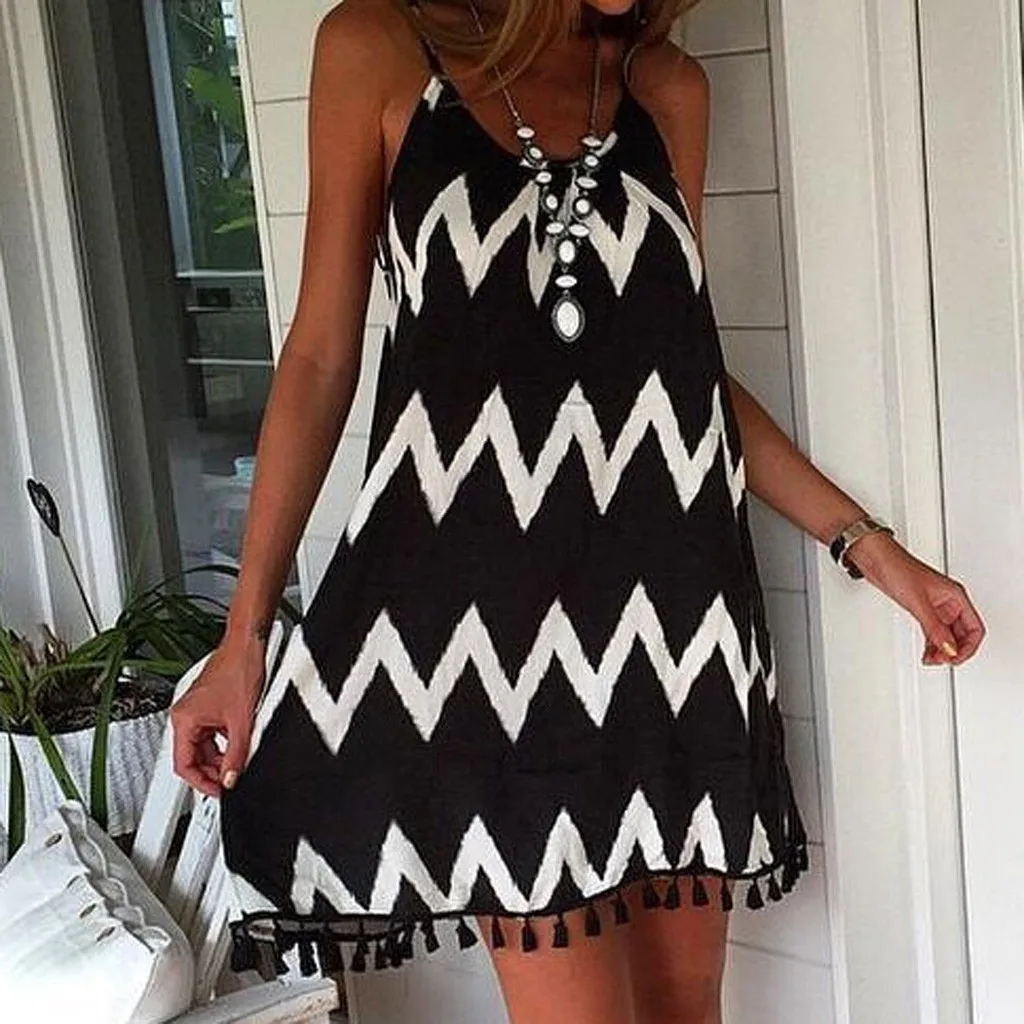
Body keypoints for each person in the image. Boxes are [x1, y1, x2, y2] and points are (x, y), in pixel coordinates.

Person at [169, 1, 987, 1021]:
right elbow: (321, 353)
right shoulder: (379, 48)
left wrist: (872, 548)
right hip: (491, 641)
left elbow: (680, 368)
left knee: (687, 1009)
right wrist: (244, 638)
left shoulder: (665, 87)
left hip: (675, 625)